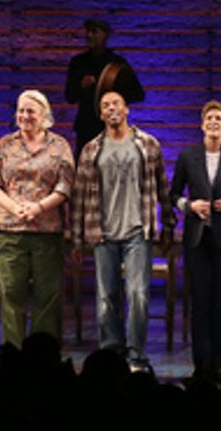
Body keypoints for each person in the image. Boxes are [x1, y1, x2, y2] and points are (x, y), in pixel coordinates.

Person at [71, 90, 173, 372]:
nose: (111, 108)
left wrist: (168, 226)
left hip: (138, 232)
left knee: (138, 293)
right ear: (101, 114)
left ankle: (136, 356)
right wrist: (77, 240)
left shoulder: (148, 144)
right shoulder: (91, 149)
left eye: (116, 103)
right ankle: (111, 354)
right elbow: (79, 196)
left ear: (126, 109)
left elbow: (162, 187)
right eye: (105, 106)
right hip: (103, 233)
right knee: (105, 298)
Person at [0, 89, 75, 347]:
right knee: (12, 292)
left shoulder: (59, 146)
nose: (24, 115)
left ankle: (42, 356)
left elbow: (65, 186)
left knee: (47, 296)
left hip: (46, 230)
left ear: (44, 115)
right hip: (9, 229)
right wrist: (14, 208)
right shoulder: (5, 144)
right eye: (21, 110)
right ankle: (14, 354)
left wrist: (39, 207)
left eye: (30, 111)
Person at [169, 100, 221, 383]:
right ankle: (200, 366)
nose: (214, 123)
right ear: (202, 124)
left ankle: (217, 363)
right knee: (199, 302)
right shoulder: (187, 156)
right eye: (209, 119)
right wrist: (189, 206)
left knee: (218, 303)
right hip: (196, 239)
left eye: (219, 118)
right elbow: (173, 195)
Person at [64, 18, 145, 156]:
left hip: (113, 128)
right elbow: (69, 97)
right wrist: (81, 86)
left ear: (105, 35)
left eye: (94, 32)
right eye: (88, 32)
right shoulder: (78, 62)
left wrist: (116, 97)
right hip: (86, 128)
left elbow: (138, 94)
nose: (90, 35)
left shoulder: (118, 64)